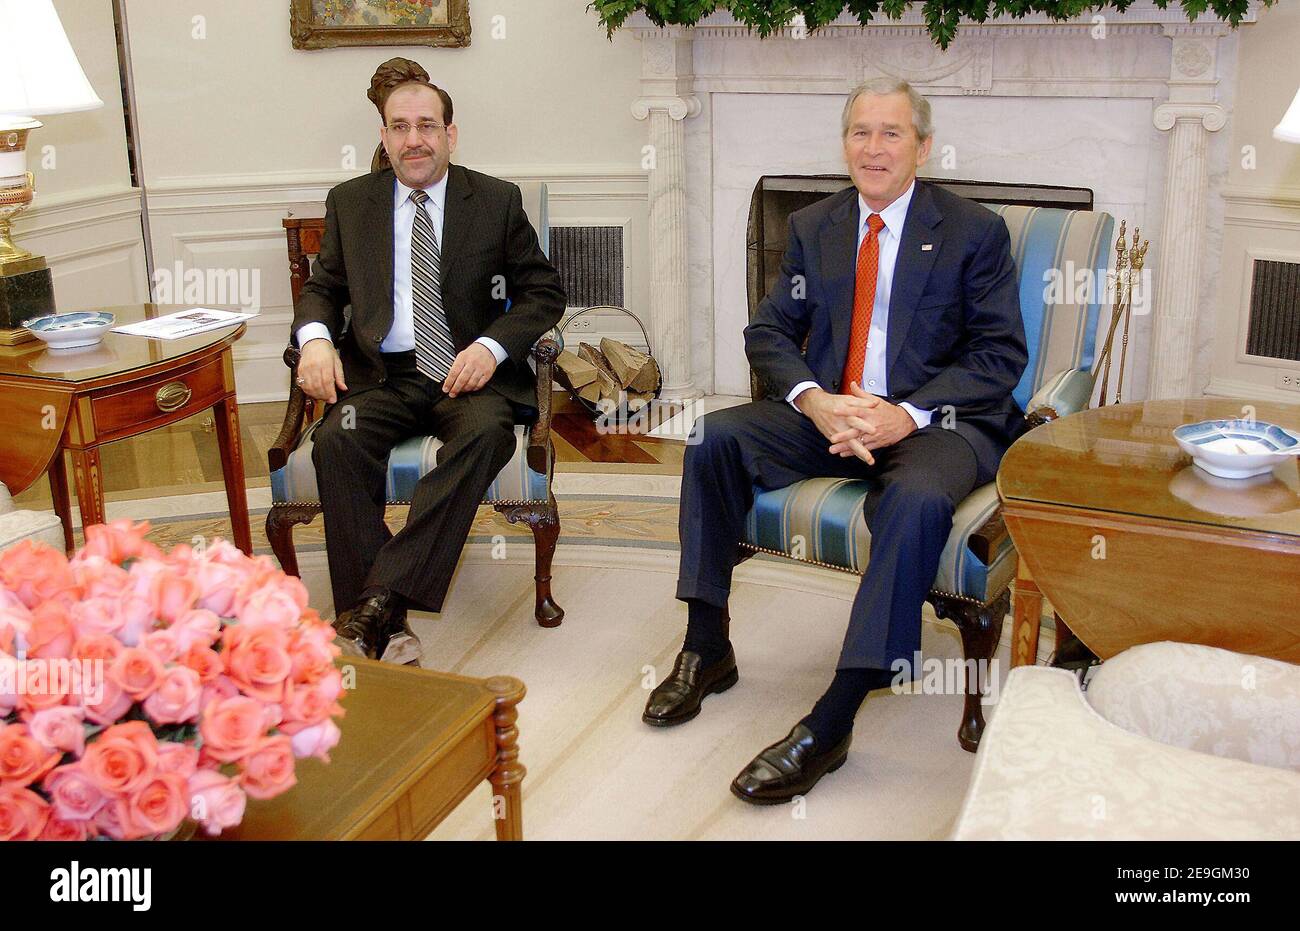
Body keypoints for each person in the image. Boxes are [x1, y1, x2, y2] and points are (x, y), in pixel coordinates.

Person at [642, 78, 1029, 804]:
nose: (873, 148)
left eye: (890, 133)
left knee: (913, 498)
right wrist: (816, 402)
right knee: (711, 438)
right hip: (832, 411)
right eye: (860, 132)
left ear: (922, 145)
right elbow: (768, 331)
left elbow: (999, 357)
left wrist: (903, 414)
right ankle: (706, 645)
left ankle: (834, 717)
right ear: (843, 142)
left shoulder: (973, 231)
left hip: (937, 424)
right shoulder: (815, 224)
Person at [292, 59, 565, 664]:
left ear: (450, 134)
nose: (413, 139)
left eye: (427, 125)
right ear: (384, 137)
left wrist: (492, 348)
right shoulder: (351, 202)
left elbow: (544, 292)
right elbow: (323, 287)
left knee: (486, 437)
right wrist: (314, 338)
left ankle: (375, 602)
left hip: (466, 378)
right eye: (399, 126)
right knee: (337, 440)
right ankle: (384, 623)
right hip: (384, 377)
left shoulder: (494, 200)